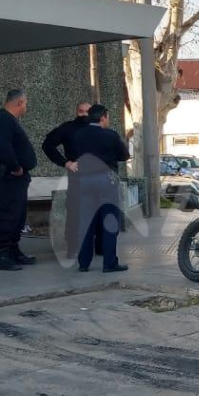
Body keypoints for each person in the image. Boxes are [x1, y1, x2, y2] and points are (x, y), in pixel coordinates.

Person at [71, 104, 131, 273]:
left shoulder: (79, 135)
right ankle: (109, 263)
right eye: (108, 117)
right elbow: (124, 155)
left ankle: (83, 263)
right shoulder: (110, 135)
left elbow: (75, 154)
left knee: (86, 222)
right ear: (103, 117)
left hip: (85, 181)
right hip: (106, 181)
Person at [0, 89, 37, 271]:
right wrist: (15, 167)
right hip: (8, 176)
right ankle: (3, 254)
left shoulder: (10, 120)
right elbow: (2, 147)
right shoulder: (2, 119)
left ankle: (14, 250)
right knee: (9, 213)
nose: (26, 106)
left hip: (17, 178)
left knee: (19, 214)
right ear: (20, 103)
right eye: (25, 103)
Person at [41, 101, 91, 257]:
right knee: (75, 211)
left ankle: (97, 245)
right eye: (81, 111)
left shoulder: (97, 128)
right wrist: (65, 162)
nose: (84, 114)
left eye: (87, 111)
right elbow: (48, 145)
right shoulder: (68, 128)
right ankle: (73, 247)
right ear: (76, 112)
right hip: (77, 175)